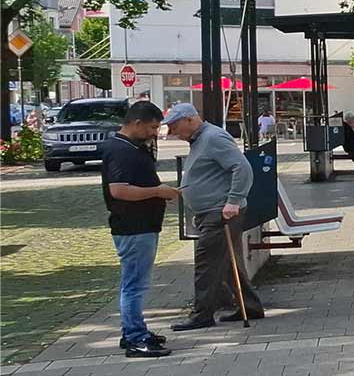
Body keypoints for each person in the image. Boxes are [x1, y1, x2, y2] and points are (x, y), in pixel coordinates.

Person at [163, 103, 265, 330]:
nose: (172, 132)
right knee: (227, 263)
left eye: (174, 126)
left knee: (207, 263)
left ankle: (202, 314)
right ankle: (250, 306)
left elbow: (242, 168)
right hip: (213, 211)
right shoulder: (201, 139)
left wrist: (233, 200)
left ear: (190, 120)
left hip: (219, 212)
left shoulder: (213, 137)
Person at [101, 101, 180, 357]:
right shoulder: (122, 151)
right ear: (136, 123)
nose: (155, 133)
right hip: (133, 226)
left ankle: (134, 330)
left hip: (142, 224)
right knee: (135, 284)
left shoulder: (133, 148)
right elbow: (119, 190)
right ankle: (135, 337)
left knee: (136, 283)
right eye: (152, 127)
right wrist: (157, 191)